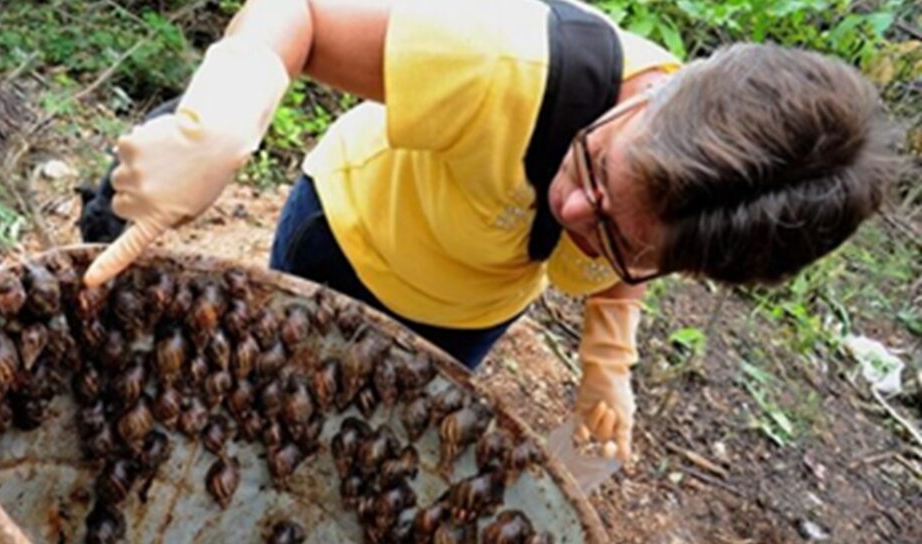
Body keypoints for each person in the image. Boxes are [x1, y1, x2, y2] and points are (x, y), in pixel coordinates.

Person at [78, 0, 896, 465]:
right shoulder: (504, 59)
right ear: (657, 95)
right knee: (274, 393)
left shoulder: (694, 210)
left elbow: (639, 246)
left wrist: (609, 356)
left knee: (364, 427)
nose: (577, 220)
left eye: (621, 240)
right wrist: (228, 111)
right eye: (598, 174)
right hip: (355, 234)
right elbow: (302, 13)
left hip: (473, 309)